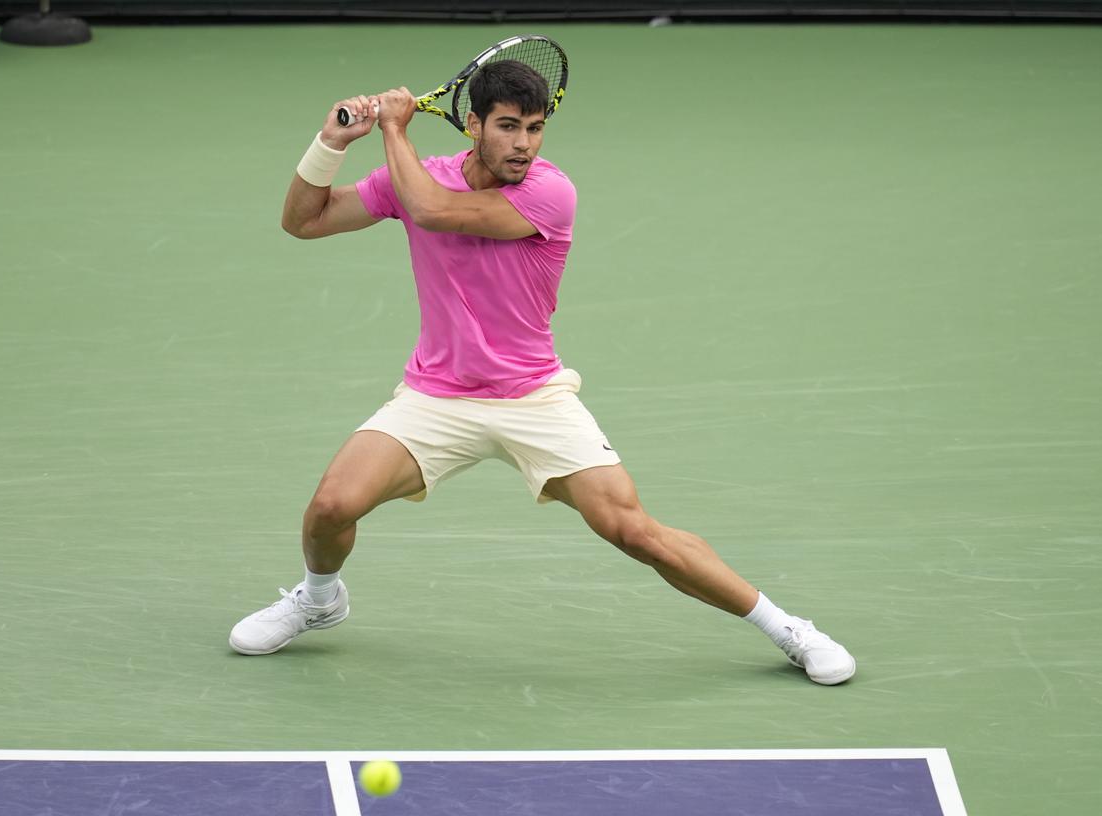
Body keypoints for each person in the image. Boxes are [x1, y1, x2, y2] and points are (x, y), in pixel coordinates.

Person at [228, 61, 856, 686]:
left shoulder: (548, 192)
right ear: (471, 123)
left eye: (534, 127)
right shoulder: (418, 178)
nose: (524, 144)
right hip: (437, 397)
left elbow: (437, 212)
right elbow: (303, 221)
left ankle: (788, 629)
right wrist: (330, 144)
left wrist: (393, 130)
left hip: (535, 399)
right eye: (507, 127)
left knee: (633, 531)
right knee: (330, 508)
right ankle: (318, 599)